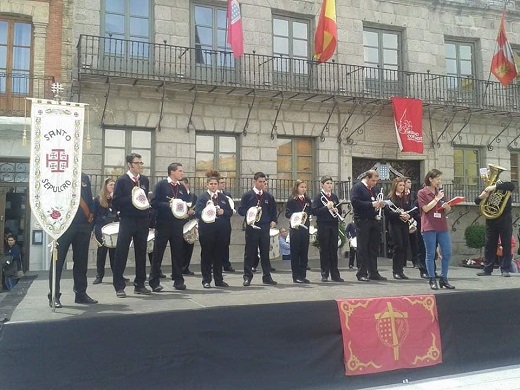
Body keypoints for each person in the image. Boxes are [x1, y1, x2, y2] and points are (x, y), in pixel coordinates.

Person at [48, 172, 98, 307]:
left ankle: (81, 293)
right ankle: (54, 295)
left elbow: (89, 198)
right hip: (64, 225)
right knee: (57, 261)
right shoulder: (59, 175)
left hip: (83, 224)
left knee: (81, 261)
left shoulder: (84, 177)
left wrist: (90, 216)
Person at [112, 153, 151, 298]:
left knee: (141, 252)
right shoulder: (122, 180)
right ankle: (119, 286)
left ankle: (140, 284)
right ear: (130, 164)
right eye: (137, 163)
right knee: (121, 252)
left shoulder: (144, 180)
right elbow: (116, 202)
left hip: (142, 220)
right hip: (128, 220)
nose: (140, 165)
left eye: (141, 163)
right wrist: (132, 197)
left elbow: (145, 200)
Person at [149, 162, 192, 292]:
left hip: (178, 224)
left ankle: (178, 280)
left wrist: (187, 211)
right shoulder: (161, 185)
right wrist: (169, 205)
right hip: (163, 223)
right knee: (158, 253)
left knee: (178, 252)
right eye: (180, 171)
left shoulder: (182, 187)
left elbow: (187, 202)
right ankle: (154, 281)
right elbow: (154, 202)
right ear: (172, 172)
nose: (182, 173)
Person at [238, 172, 277, 286]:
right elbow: (241, 210)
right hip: (252, 228)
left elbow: (273, 210)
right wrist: (250, 213)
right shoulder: (247, 195)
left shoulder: (268, 196)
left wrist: (273, 220)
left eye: (263, 182)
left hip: (264, 227)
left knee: (265, 253)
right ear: (254, 182)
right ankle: (247, 276)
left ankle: (267, 276)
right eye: (260, 182)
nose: (262, 184)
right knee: (250, 253)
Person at [195, 170, 233, 288]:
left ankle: (219, 280)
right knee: (206, 255)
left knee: (219, 256)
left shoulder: (223, 197)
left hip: (221, 231)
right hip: (207, 231)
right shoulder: (202, 198)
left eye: (215, 184)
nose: (213, 186)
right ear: (207, 185)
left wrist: (223, 211)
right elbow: (197, 212)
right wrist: (207, 212)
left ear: (218, 185)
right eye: (211, 184)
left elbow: (230, 212)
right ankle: (206, 280)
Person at [417, 169, 454, 290]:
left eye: (440, 179)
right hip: (429, 226)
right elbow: (426, 209)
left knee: (447, 252)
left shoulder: (440, 192)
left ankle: (444, 278)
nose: (439, 181)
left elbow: (447, 209)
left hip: (442, 226)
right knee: (431, 253)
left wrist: (447, 207)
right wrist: (437, 199)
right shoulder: (422, 192)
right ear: (430, 179)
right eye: (437, 179)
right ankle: (432, 279)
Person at [475, 172, 515, 277]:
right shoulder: (487, 188)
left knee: (506, 243)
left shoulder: (504, 185)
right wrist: (482, 196)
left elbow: (512, 186)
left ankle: (505, 269)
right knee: (489, 244)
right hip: (491, 218)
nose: (488, 177)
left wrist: (494, 187)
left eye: (490, 174)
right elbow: (476, 201)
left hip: (504, 217)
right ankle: (487, 269)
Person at [350, 170, 387, 282]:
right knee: (363, 247)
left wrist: (380, 204)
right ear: (367, 177)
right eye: (373, 180)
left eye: (376, 181)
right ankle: (361, 273)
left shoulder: (375, 189)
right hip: (362, 220)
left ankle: (373, 272)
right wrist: (371, 204)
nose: (374, 183)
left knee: (373, 248)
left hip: (374, 220)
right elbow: (355, 202)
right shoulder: (358, 187)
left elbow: (376, 200)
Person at [311, 176, 344, 283]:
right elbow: (315, 211)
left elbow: (340, 210)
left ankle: (335, 275)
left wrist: (336, 210)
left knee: (333, 250)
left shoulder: (334, 197)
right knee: (324, 250)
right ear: (322, 185)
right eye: (327, 183)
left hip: (334, 224)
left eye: (331, 183)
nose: (330, 185)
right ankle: (324, 274)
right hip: (323, 225)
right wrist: (326, 208)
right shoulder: (318, 197)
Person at [384, 177, 413, 280]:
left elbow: (410, 209)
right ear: (395, 186)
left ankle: (401, 271)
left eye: (403, 185)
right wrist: (399, 215)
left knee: (404, 246)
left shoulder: (405, 198)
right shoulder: (391, 198)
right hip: (394, 225)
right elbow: (387, 213)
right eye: (400, 185)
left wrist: (408, 215)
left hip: (404, 225)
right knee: (398, 246)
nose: (402, 187)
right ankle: (396, 271)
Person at [285, 179, 311, 283]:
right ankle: (296, 276)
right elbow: (287, 213)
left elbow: (310, 211)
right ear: (297, 188)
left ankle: (303, 275)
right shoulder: (292, 199)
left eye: (305, 187)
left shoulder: (307, 199)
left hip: (305, 229)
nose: (303, 189)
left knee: (304, 253)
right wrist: (296, 216)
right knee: (295, 253)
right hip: (295, 229)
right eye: (301, 187)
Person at [92, 178, 117, 285]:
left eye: (114, 185)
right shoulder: (98, 199)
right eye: (111, 184)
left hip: (113, 227)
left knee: (115, 254)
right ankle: (99, 275)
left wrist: (114, 199)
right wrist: (92, 230)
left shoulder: (115, 198)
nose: (113, 186)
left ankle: (117, 275)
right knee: (101, 252)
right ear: (106, 186)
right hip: (101, 228)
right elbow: (94, 214)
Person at [218, 177, 236, 273]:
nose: (223, 184)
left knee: (225, 244)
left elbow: (230, 209)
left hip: (226, 222)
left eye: (224, 183)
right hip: (215, 223)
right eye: (221, 183)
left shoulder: (227, 195)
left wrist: (226, 212)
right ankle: (215, 264)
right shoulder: (212, 196)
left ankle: (226, 264)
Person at [181, 177, 197, 276]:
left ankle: (185, 267)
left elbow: (198, 208)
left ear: (187, 185)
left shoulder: (193, 196)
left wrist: (193, 212)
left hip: (190, 224)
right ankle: (178, 268)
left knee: (189, 246)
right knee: (179, 247)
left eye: (183, 185)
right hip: (179, 223)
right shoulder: (178, 195)